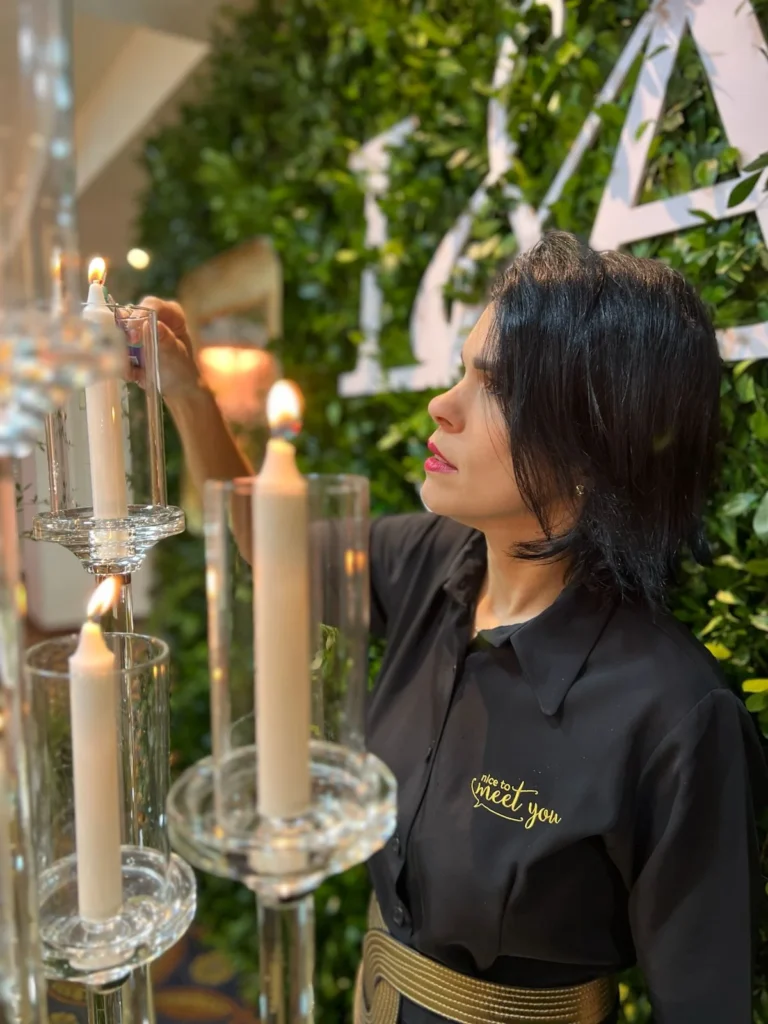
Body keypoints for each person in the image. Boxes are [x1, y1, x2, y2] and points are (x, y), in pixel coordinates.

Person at [143, 231, 766, 1024]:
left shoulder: (674, 716)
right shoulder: (432, 560)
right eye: (463, 370)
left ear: (593, 445)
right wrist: (185, 390)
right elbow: (272, 547)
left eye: (494, 386)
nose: (443, 405)